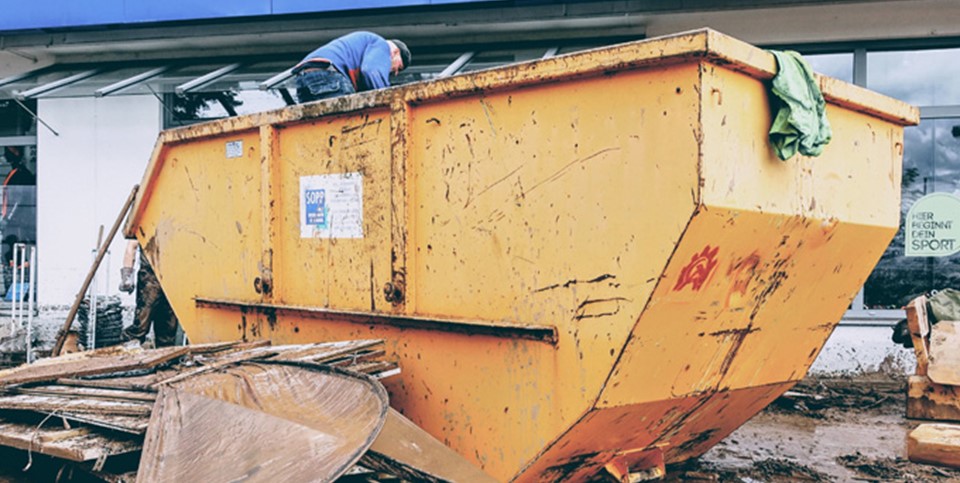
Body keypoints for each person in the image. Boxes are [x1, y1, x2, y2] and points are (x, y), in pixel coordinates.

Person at [292, 32, 411, 103]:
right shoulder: (382, 45)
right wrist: (389, 100)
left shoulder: (364, 44)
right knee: (347, 125)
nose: (395, 73)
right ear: (395, 52)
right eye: (398, 68)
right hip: (328, 74)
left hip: (303, 77)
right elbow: (372, 72)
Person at [119, 239, 179, 347]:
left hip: (172, 279)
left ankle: (165, 359)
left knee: (167, 327)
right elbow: (132, 245)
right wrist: (127, 276)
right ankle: (128, 353)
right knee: (141, 325)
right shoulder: (148, 223)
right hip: (150, 278)